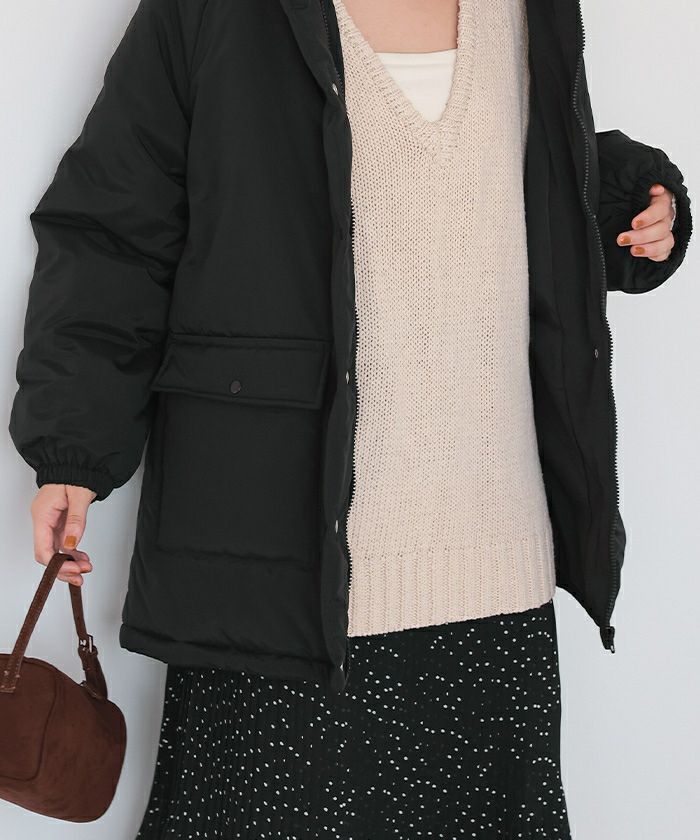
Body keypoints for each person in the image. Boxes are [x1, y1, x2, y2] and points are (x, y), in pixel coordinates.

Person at [9, 0, 692, 837]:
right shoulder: (215, 13)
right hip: (276, 585)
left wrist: (632, 203)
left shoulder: (526, 9)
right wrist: (73, 446)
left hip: (496, 578)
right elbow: (113, 230)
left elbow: (526, 178)